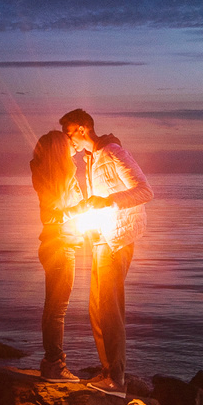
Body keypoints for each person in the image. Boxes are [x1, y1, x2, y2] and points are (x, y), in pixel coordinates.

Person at [30, 107, 153, 389]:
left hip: (114, 239)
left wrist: (104, 203)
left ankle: (114, 377)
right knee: (95, 308)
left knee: (106, 308)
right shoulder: (86, 161)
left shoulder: (108, 153)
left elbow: (145, 191)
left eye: (69, 133)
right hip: (95, 239)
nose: (68, 141)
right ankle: (107, 371)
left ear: (81, 129)